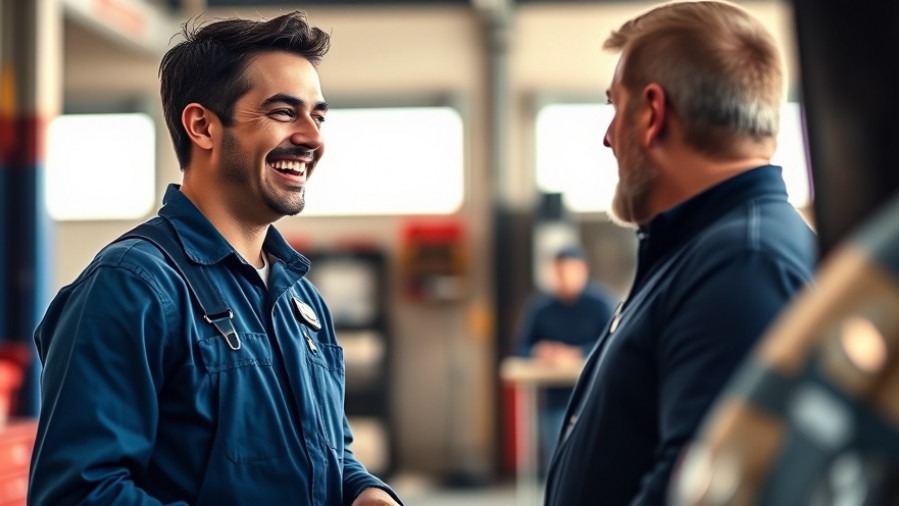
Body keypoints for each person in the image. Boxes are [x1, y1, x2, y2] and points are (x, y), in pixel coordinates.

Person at [29, 12, 401, 506]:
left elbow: (323, 453)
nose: (313, 139)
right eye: (284, 112)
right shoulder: (133, 287)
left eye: (319, 115)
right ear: (202, 125)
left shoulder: (301, 303)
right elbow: (78, 494)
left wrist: (362, 491)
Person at [543, 2, 817, 505]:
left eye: (614, 107)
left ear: (652, 113)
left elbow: (701, 494)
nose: (607, 138)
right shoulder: (703, 250)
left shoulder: (744, 265)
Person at [515, 245, 616, 473]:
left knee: (594, 465)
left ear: (582, 270)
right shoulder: (540, 308)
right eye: (558, 273)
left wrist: (574, 353)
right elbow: (521, 348)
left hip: (593, 398)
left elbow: (614, 344)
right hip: (554, 400)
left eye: (568, 272)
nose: (563, 279)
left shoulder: (601, 304)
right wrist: (539, 352)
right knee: (559, 463)